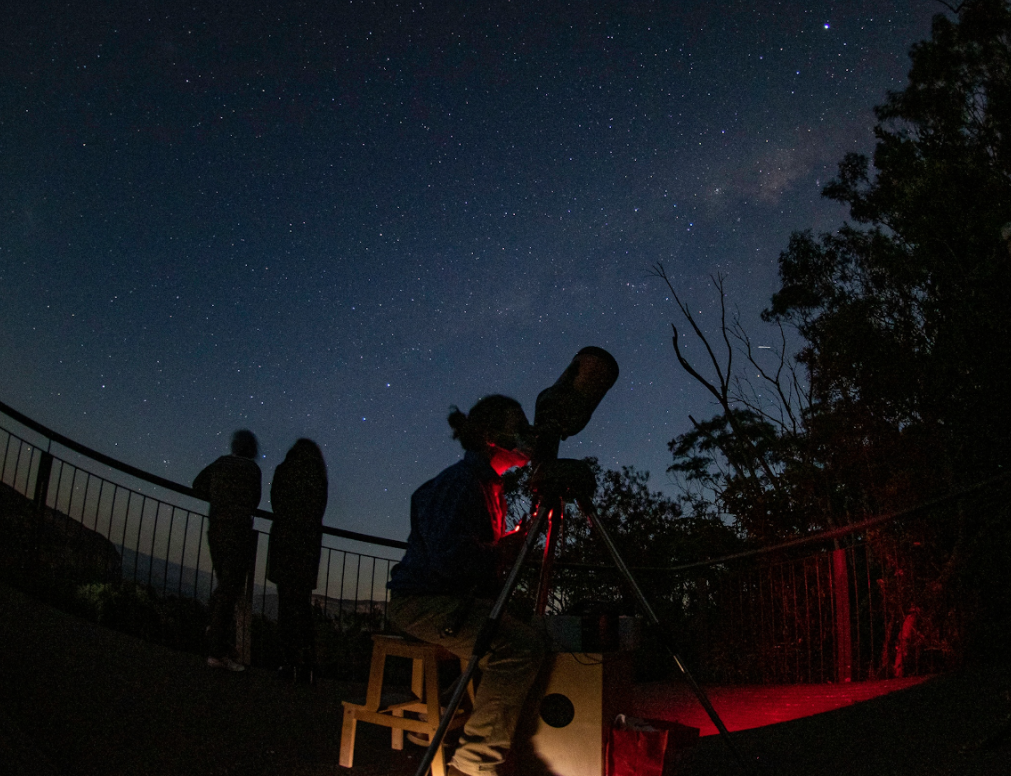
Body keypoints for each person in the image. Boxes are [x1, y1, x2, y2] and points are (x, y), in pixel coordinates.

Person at [387, 395, 545, 776]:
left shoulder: (488, 486)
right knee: (517, 648)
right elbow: (449, 559)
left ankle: (449, 718)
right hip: (422, 602)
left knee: (529, 628)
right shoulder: (462, 484)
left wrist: (502, 550)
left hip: (447, 597)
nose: (527, 435)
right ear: (491, 436)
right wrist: (503, 550)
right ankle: (471, 766)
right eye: (518, 426)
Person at [193, 429, 262, 672]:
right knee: (229, 589)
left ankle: (215, 633)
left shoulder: (221, 463)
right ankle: (217, 651)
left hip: (216, 529)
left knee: (226, 585)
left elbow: (197, 485)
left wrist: (217, 498)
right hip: (238, 533)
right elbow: (255, 500)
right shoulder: (252, 470)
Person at [267, 438, 328, 684]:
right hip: (308, 548)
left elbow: (276, 503)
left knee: (286, 608)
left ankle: (287, 663)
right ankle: (308, 666)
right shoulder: (319, 477)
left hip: (284, 544)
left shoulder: (284, 470)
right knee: (302, 608)